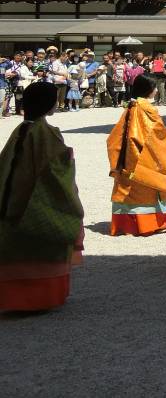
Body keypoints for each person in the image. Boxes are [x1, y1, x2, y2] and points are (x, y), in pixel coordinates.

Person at [0, 82, 85, 312]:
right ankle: (39, 298)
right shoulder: (48, 134)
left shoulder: (19, 131)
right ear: (49, 104)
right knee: (45, 239)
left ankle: (14, 297)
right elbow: (57, 172)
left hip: (13, 199)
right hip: (36, 200)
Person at [107, 74, 166, 236]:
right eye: (154, 88)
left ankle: (127, 223)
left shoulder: (131, 106)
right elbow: (155, 133)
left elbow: (116, 136)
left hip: (128, 154)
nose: (156, 91)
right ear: (148, 90)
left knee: (129, 189)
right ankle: (155, 221)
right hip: (143, 153)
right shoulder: (147, 108)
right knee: (150, 186)